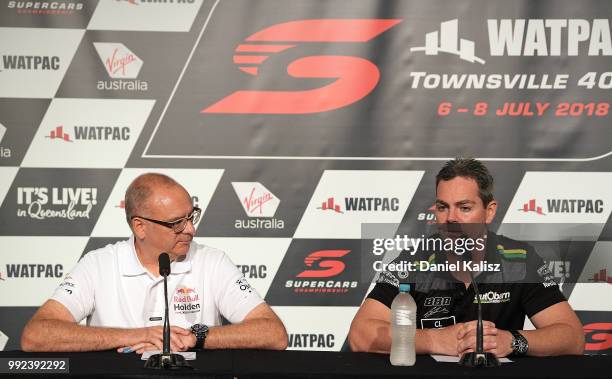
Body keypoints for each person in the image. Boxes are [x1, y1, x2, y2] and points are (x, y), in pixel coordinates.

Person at [21, 173, 288, 353]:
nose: (190, 230)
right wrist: (138, 335)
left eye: (191, 216)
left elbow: (274, 333)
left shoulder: (212, 261)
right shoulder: (98, 265)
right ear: (140, 227)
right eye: (176, 223)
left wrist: (199, 336)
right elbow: (36, 335)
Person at [349, 158, 584, 357]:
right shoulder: (415, 261)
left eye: (464, 208)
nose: (451, 218)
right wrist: (435, 341)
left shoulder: (519, 260)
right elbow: (361, 335)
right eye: (443, 207)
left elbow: (572, 337)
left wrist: (511, 341)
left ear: (489, 211)